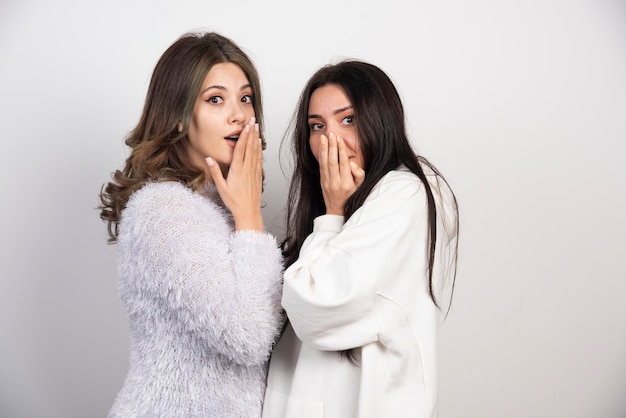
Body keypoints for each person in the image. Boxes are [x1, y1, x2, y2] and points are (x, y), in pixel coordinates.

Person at [99, 32, 284, 417]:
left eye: (245, 98)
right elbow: (249, 338)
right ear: (178, 116)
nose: (239, 114)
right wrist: (250, 217)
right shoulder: (161, 209)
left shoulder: (221, 206)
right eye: (215, 99)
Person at [262, 60, 459, 418]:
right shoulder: (342, 208)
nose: (329, 140)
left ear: (380, 120)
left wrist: (333, 215)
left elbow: (317, 306)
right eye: (317, 126)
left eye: (347, 120)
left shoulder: (406, 194)